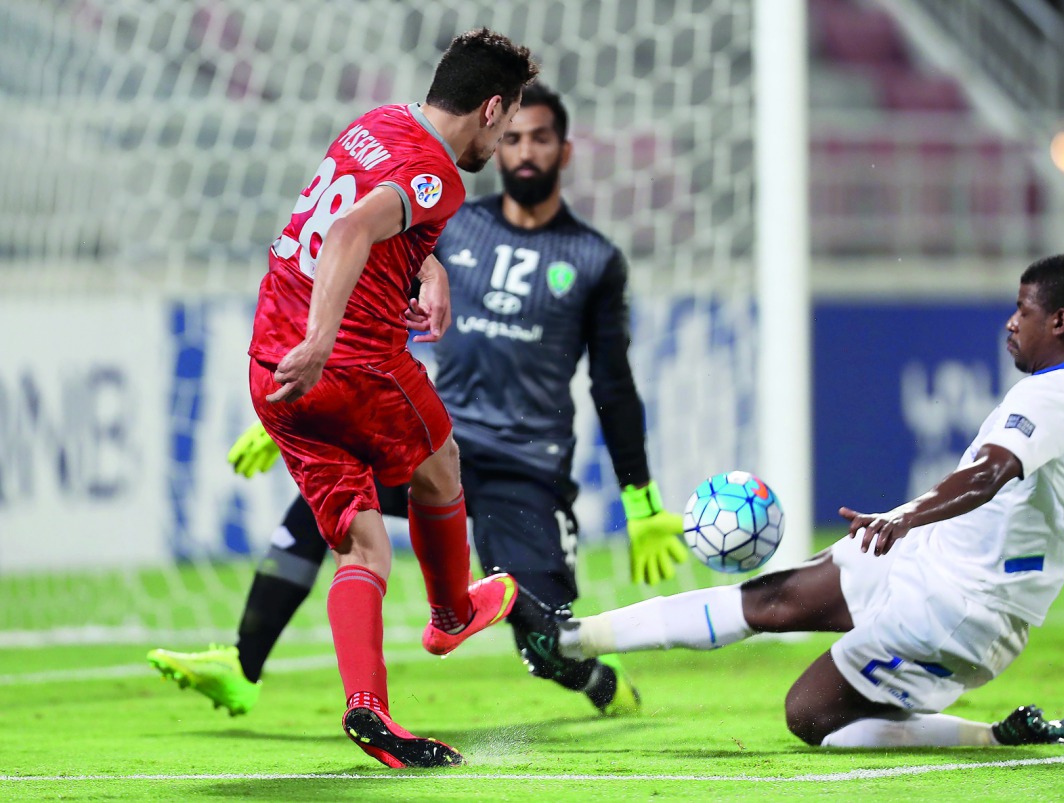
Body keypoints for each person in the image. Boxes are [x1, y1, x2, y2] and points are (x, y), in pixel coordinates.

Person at [149, 83, 686, 726]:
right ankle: (243, 665)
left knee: (546, 648)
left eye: (539, 138)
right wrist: (303, 403)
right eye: (512, 136)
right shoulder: (456, 222)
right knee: (328, 513)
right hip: (435, 436)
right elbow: (365, 271)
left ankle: (592, 676)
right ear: (497, 132)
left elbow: (613, 384)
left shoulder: (595, 259)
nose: (522, 150)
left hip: (523, 465)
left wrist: (641, 499)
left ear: (564, 151)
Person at [528, 254, 1064, 748]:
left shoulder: (1047, 398)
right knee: (773, 599)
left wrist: (902, 515)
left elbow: (988, 474)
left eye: (1022, 309)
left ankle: (997, 737)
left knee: (810, 716)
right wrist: (909, 529)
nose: (1010, 321)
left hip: (967, 608)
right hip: (935, 558)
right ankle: (569, 637)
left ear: (1057, 318)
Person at [148, 29, 537, 769]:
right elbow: (351, 228)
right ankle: (452, 613)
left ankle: (370, 712)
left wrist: (427, 266)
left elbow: (373, 213)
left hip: (273, 368)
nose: (506, 133)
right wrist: (325, 335)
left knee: (363, 540)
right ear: (491, 108)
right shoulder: (441, 175)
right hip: (349, 364)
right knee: (441, 460)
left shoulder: (376, 124)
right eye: (510, 117)